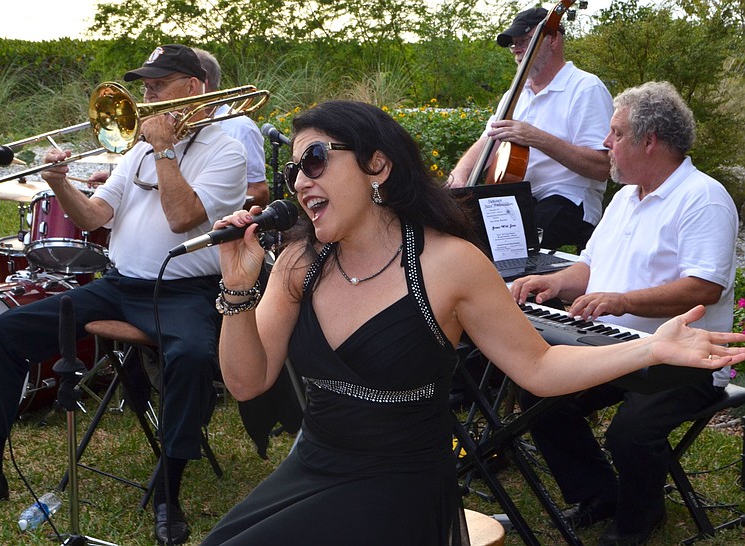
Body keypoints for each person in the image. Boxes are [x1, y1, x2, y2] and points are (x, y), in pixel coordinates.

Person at [198, 100, 745, 545]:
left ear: (377, 165)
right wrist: (238, 287)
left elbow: (540, 364)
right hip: (313, 468)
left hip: (400, 486)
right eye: (294, 169)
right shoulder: (299, 262)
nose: (299, 181)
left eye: (315, 159)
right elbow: (247, 382)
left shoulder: (449, 264)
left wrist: (648, 350)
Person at [0, 44, 248, 546]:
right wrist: (59, 182)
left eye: (158, 84)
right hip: (119, 285)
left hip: (183, 291)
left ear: (194, 87)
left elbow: (183, 219)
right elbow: (94, 216)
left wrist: (164, 151)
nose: (147, 94)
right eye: (146, 85)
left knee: (194, 355)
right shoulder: (137, 149)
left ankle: (168, 494)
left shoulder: (226, 150)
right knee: (5, 331)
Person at [511, 81, 739, 546]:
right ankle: (600, 496)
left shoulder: (703, 197)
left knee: (631, 433)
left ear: (649, 140)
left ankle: (637, 524)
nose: (606, 144)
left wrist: (622, 301)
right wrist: (555, 282)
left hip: (684, 359)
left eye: (615, 133)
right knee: (538, 397)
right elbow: (591, 266)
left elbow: (704, 287)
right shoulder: (623, 197)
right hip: (613, 346)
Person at [448, 7, 613, 251]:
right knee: (456, 229)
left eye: (525, 40)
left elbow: (602, 167)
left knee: (509, 242)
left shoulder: (585, 88)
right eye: (513, 43)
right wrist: (459, 175)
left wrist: (536, 138)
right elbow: (488, 142)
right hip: (517, 199)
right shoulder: (515, 94)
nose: (516, 48)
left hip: (568, 198)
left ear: (554, 39)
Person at [192, 47, 270, 208]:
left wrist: (211, 205)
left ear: (202, 83)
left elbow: (260, 191)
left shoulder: (240, 126)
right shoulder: (179, 126)